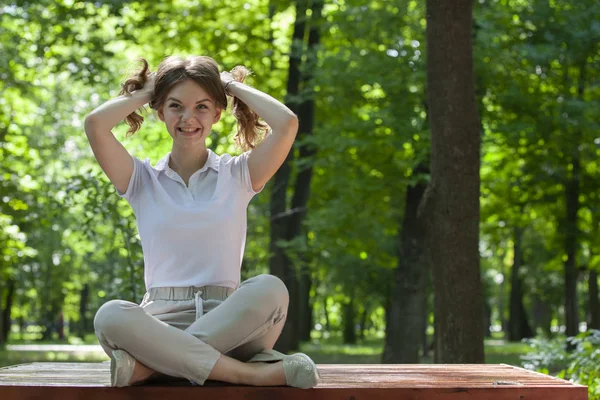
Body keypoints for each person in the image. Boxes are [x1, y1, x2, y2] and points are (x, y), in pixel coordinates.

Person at [86, 55, 319, 389]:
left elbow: (287, 123)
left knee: (271, 288)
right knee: (109, 315)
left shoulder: (238, 174)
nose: (188, 118)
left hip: (231, 323)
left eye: (202, 107)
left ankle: (153, 367)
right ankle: (248, 374)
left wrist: (229, 84)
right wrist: (152, 88)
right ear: (160, 112)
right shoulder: (141, 180)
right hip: (158, 325)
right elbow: (95, 124)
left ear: (217, 113)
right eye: (176, 106)